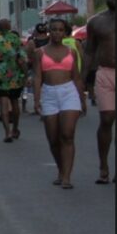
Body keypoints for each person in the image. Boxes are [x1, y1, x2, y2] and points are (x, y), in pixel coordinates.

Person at [33, 18, 85, 188]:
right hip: (49, 94)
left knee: (67, 135)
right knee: (53, 139)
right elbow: (38, 77)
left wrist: (82, 99)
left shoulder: (72, 51)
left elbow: (77, 78)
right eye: (53, 29)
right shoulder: (40, 52)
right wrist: (36, 99)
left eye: (60, 30)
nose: (57, 32)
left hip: (69, 92)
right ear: (49, 31)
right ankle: (61, 169)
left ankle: (66, 177)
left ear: (65, 32)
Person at [85, 0, 115, 184]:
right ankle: (103, 165)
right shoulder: (96, 22)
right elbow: (89, 52)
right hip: (105, 73)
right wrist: (80, 78)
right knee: (106, 119)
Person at [0, 19, 28, 143]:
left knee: (3, 104)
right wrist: (25, 73)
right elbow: (21, 57)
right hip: (14, 76)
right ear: (7, 26)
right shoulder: (14, 38)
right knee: (14, 103)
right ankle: (15, 128)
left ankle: (7, 132)